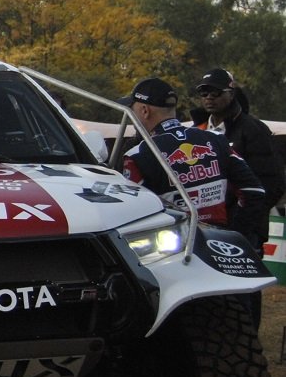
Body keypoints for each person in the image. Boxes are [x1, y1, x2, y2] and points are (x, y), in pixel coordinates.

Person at [120, 77, 268, 250]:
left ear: (144, 111)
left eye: (132, 110)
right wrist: (235, 235)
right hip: (219, 242)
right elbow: (254, 191)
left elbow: (131, 212)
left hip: (171, 249)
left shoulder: (137, 155)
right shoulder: (216, 139)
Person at [194, 68, 285, 249]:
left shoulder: (254, 129)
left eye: (215, 92)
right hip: (203, 228)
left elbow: (273, 182)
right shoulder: (197, 132)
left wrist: (243, 223)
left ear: (231, 93)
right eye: (204, 92)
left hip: (244, 231)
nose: (209, 97)